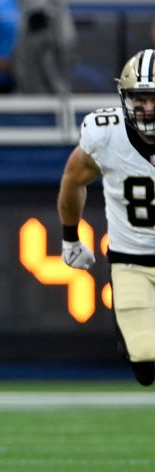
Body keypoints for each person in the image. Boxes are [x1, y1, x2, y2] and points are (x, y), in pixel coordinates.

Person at [58, 49, 155, 387]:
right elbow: (73, 178)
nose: (148, 108)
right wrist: (70, 235)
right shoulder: (105, 133)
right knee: (145, 365)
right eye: (140, 98)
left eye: (154, 99)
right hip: (132, 259)